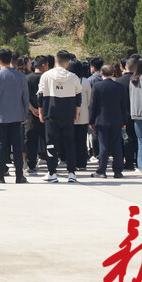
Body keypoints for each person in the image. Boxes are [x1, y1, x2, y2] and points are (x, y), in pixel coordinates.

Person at [37, 50, 82, 183]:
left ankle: (52, 173)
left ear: (56, 60)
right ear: (67, 63)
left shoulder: (46, 76)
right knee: (69, 143)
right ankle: (71, 173)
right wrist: (77, 113)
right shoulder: (74, 77)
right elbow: (78, 97)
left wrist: (41, 112)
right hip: (68, 114)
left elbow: (40, 95)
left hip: (51, 114)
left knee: (51, 143)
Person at [0, 48, 30, 184]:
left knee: (0, 146)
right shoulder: (21, 77)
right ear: (11, 60)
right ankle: (19, 175)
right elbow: (25, 97)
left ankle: (0, 175)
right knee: (17, 146)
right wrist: (25, 115)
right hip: (17, 117)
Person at [89, 65, 129, 178]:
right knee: (117, 146)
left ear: (101, 73)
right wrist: (124, 121)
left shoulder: (97, 86)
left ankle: (102, 170)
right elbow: (124, 106)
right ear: (113, 73)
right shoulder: (120, 87)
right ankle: (118, 171)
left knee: (103, 146)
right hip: (117, 120)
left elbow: (93, 105)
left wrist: (91, 120)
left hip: (101, 120)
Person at [24, 55, 49, 175]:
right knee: (49, 140)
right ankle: (51, 164)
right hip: (46, 114)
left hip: (31, 115)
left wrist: (33, 109)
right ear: (44, 65)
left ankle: (31, 165)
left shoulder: (27, 78)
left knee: (31, 141)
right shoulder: (48, 78)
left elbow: (24, 96)